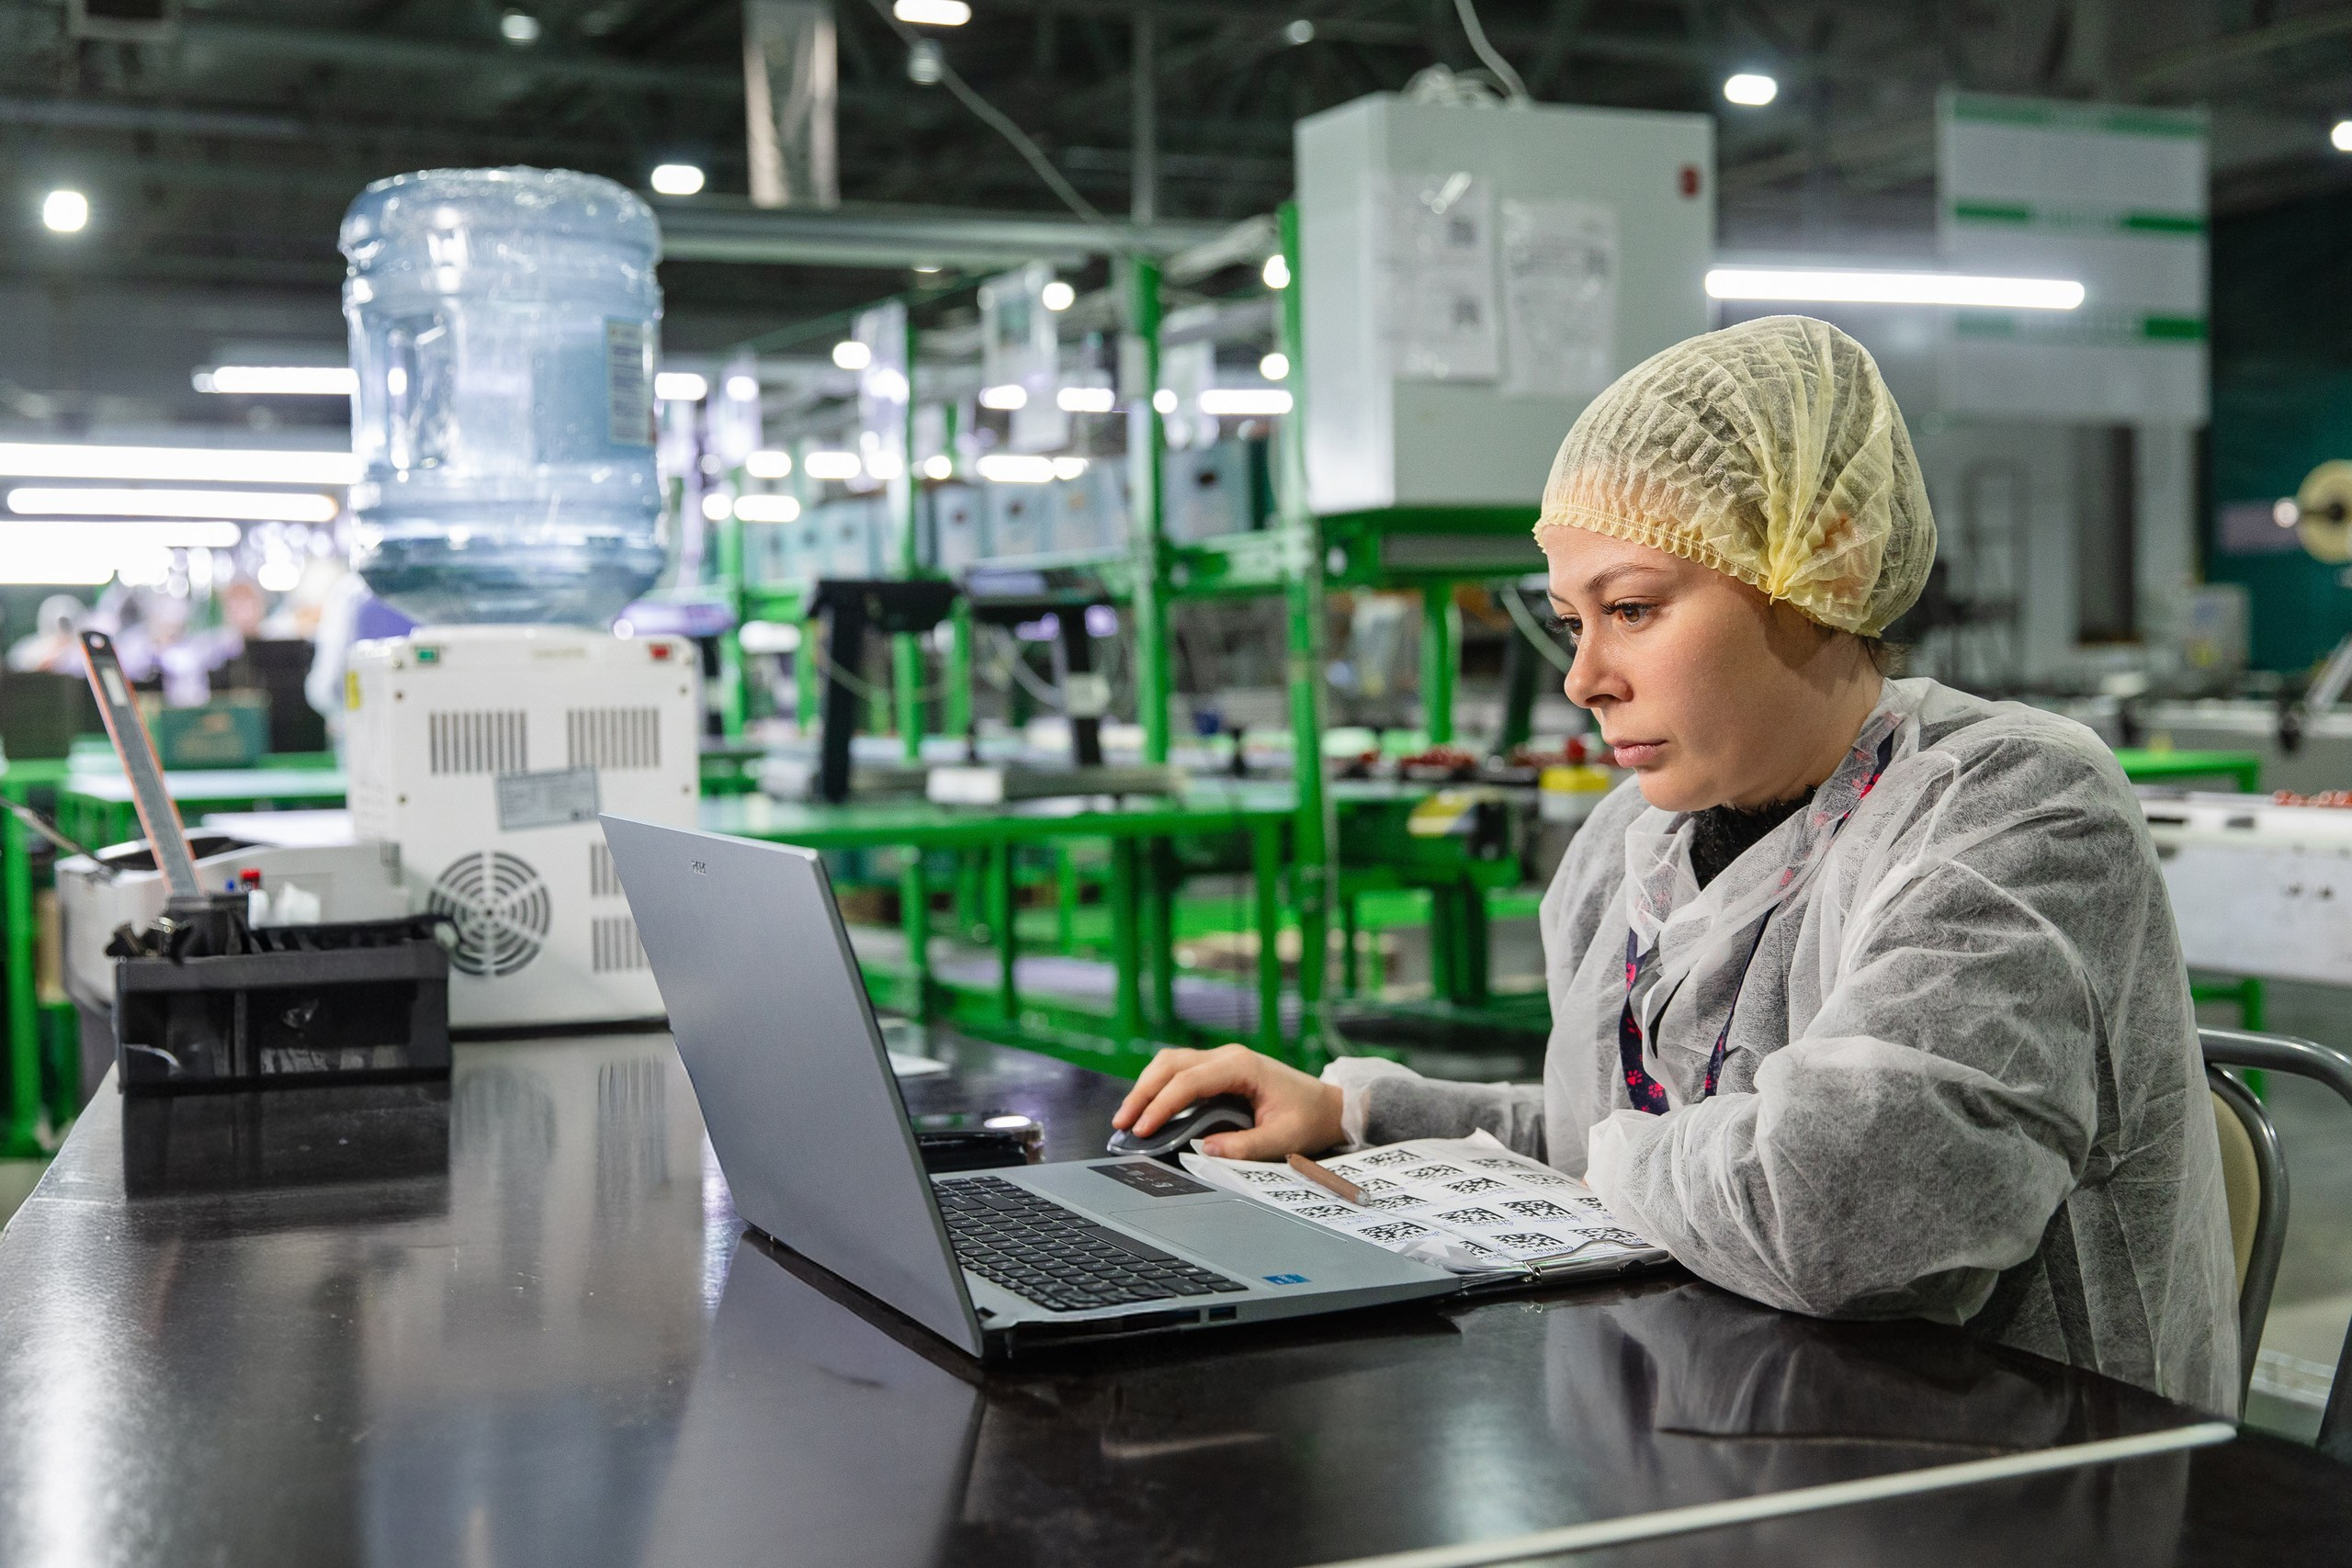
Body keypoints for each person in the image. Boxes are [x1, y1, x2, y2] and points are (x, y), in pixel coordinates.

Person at [1113, 315, 2240, 1414]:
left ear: (1826, 566)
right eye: (1570, 622)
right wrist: (1355, 1114)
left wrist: (1609, 1153)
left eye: (1635, 609)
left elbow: (1839, 1216)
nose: (1583, 678)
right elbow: (1623, 1139)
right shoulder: (1630, 847)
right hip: (1724, 1436)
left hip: (2018, 1484)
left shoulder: (2010, 807)